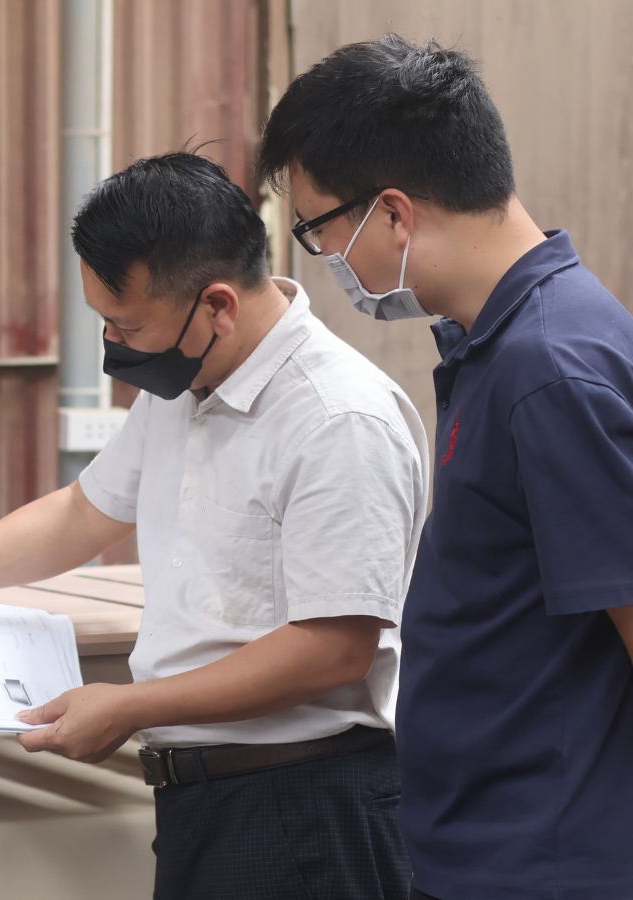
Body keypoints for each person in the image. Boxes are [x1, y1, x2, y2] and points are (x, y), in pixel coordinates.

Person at [0, 152, 427, 899]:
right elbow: (85, 511)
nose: (114, 345)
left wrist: (129, 706)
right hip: (204, 800)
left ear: (218, 306)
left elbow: (333, 649)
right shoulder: (190, 382)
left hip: (305, 809)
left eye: (127, 325)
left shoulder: (339, 419)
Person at [257, 34, 633, 900]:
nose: (326, 260)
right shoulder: (500, 344)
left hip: (544, 865)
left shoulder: (551, 367)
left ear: (393, 213)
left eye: (318, 230)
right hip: (481, 850)